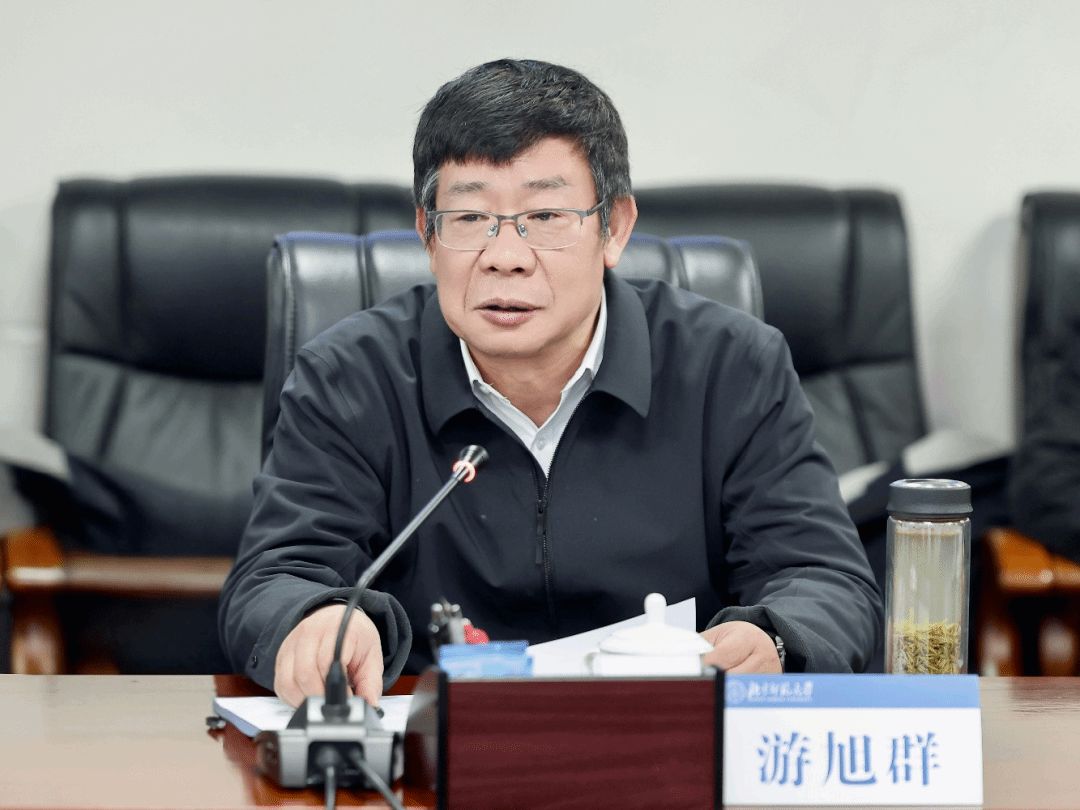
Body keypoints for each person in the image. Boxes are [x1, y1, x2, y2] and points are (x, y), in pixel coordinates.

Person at [219, 58, 883, 708]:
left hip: (667, 738)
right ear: (428, 234)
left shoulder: (732, 367)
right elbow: (276, 577)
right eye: (470, 218)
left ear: (614, 229)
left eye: (545, 217)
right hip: (429, 746)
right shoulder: (349, 377)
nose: (506, 257)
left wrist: (772, 637)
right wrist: (314, 621)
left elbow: (823, 579)